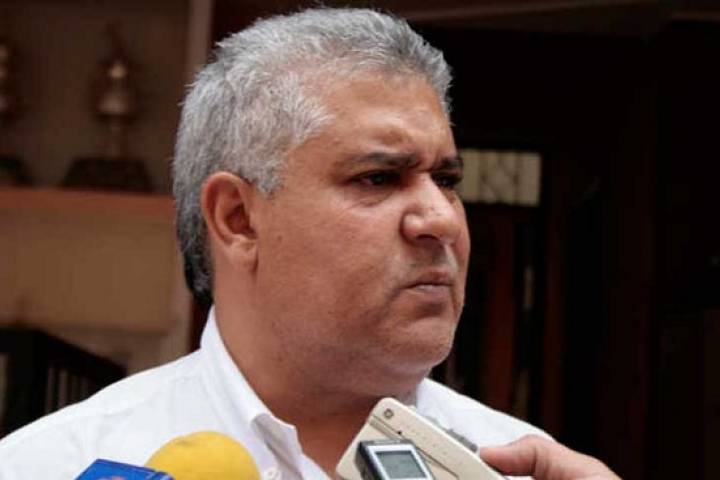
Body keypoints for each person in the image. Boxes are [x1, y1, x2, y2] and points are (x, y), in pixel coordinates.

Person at [0, 8, 619, 480]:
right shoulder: (48, 466)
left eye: (447, 180)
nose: (441, 218)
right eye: (379, 178)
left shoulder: (523, 467)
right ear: (238, 219)